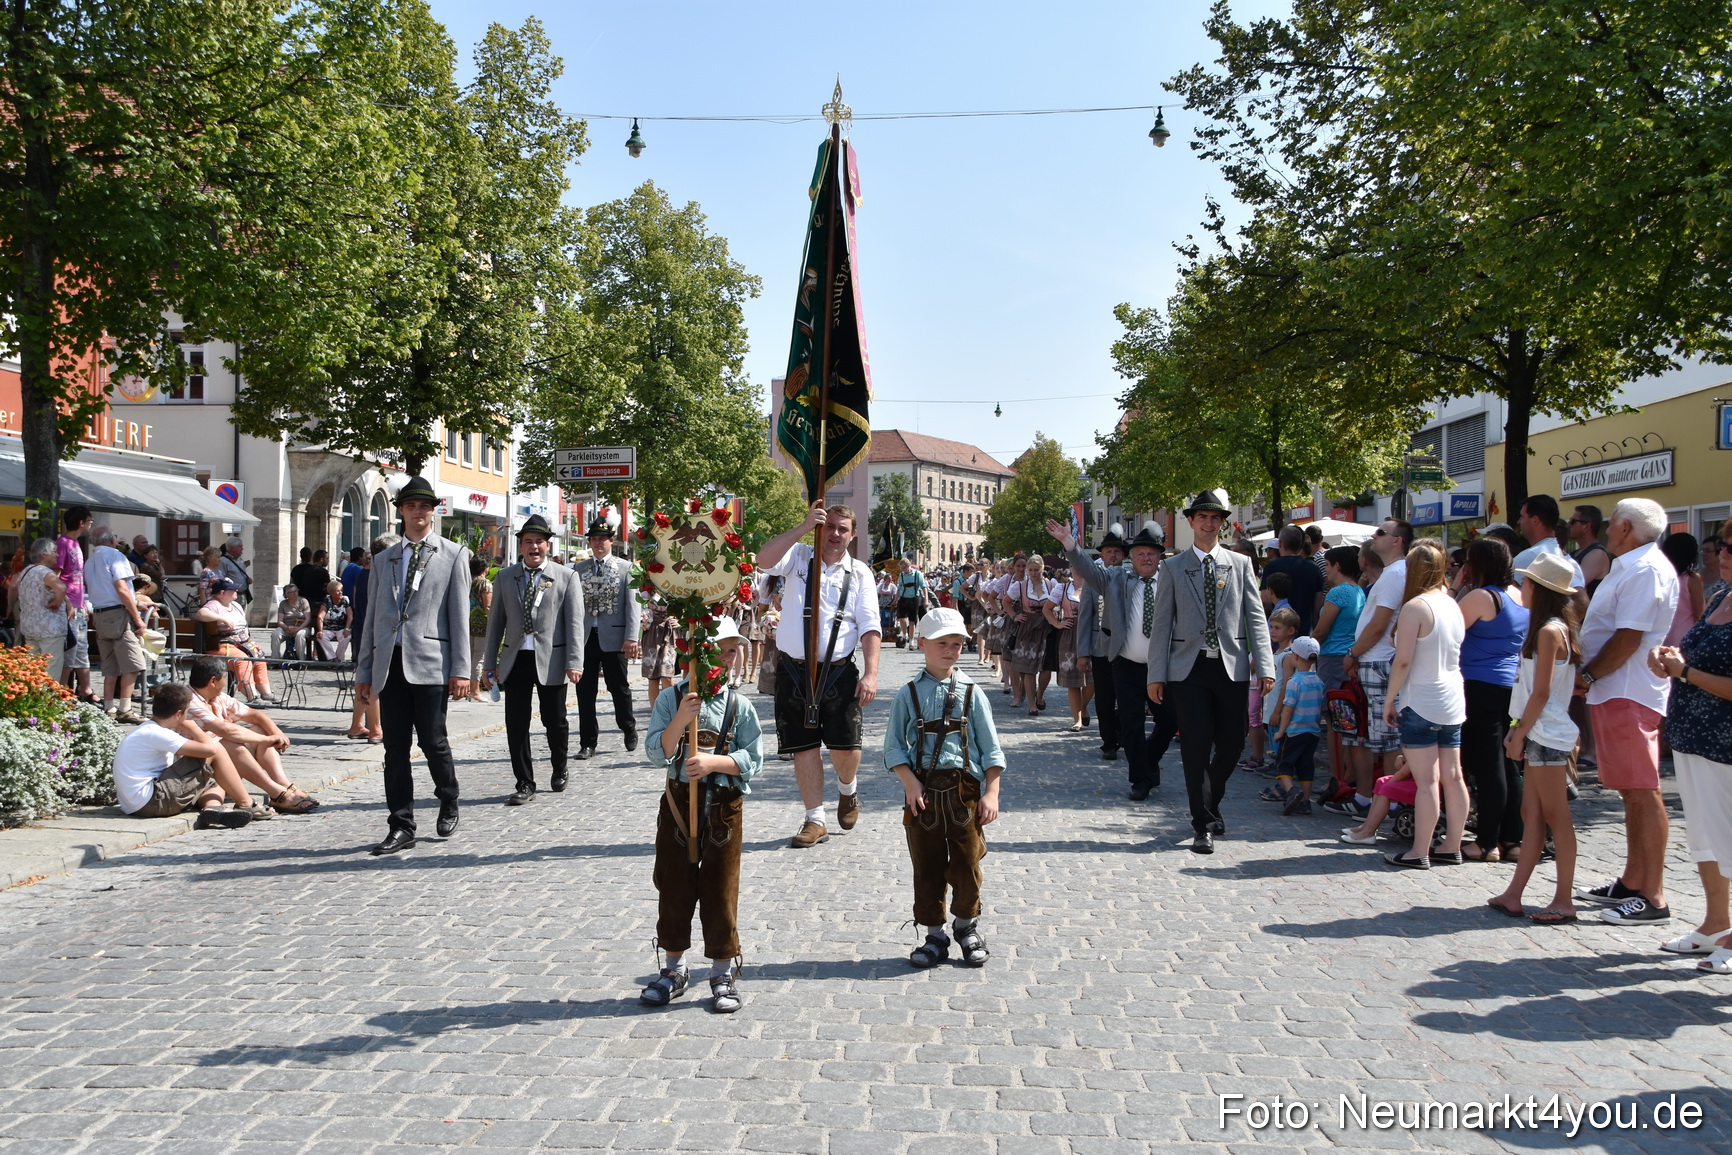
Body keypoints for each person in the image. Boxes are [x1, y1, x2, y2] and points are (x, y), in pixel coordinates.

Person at [639, 617, 764, 1013]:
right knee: (673, 885)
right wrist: (680, 719)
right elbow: (655, 752)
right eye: (718, 650)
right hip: (679, 803)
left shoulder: (738, 705)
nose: (727, 658)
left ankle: (722, 970)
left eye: (732, 650)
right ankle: (674, 968)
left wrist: (715, 763)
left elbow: (754, 758)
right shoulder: (669, 699)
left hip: (724, 807)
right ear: (694, 654)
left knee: (720, 887)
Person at [1145, 491, 1276, 854]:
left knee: (1233, 743)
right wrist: (1155, 674)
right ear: (1191, 522)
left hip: (1231, 666)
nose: (1208, 523)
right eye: (1202, 517)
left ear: (1223, 523)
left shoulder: (1241, 564)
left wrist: (1265, 665)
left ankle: (1211, 799)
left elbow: (1256, 618)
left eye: (1215, 518)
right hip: (1188, 668)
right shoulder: (1172, 567)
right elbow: (1161, 626)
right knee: (1196, 746)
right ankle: (1201, 822)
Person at [1573, 497, 1680, 925]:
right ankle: (1633, 881)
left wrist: (1590, 676)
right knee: (1631, 791)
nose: (1607, 531)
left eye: (1613, 523)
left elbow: (1629, 637)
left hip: (1628, 688)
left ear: (1625, 528)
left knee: (1641, 790)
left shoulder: (1645, 568)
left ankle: (1652, 895)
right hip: (1620, 689)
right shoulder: (1634, 565)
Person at [353, 477, 473, 855]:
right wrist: (365, 672)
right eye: (410, 506)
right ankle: (401, 823)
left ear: (433, 511)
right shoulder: (385, 558)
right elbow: (371, 618)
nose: (418, 512)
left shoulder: (453, 555)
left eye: (425, 506)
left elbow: (459, 618)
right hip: (390, 666)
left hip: (432, 665)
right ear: (401, 510)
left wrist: (463, 669)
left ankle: (448, 798)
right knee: (395, 749)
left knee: (434, 741)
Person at [884, 607, 1005, 969]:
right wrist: (909, 782)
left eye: (957, 644)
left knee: (968, 864)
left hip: (964, 793)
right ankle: (934, 934)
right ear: (922, 644)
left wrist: (992, 792)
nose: (951, 650)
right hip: (923, 795)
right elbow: (893, 746)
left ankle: (967, 926)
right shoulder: (908, 694)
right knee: (927, 866)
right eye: (942, 643)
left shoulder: (972, 692)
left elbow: (991, 748)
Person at [757, 503, 882, 848]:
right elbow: (763, 560)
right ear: (819, 529)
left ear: (853, 535)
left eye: (843, 529)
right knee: (803, 747)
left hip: (838, 670)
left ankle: (848, 788)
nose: (835, 534)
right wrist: (802, 527)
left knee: (845, 747)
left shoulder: (860, 573)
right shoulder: (798, 556)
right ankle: (815, 819)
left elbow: (871, 627)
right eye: (830, 527)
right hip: (793, 669)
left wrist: (871, 674)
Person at [1647, 519, 1732, 971]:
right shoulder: (1720, 594)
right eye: (1722, 545)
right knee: (1704, 836)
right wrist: (1670, 663)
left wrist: (1686, 673)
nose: (1722, 553)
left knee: (1729, 836)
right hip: (1694, 733)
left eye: (1731, 547)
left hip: (1726, 741)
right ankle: (1715, 923)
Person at [1051, 520, 1178, 802]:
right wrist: (1069, 544)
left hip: (1162, 667)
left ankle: (1148, 760)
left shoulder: (1171, 580)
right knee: (1132, 725)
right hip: (1126, 664)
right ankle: (1140, 779)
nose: (1146, 558)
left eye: (1152, 553)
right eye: (1141, 553)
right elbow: (1086, 571)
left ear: (1160, 557)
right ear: (1131, 557)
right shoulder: (1116, 578)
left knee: (1170, 721)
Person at [1487, 554, 1583, 923]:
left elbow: (1540, 692)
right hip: (1541, 730)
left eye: (1526, 582)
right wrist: (1518, 728)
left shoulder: (1547, 631)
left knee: (1555, 817)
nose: (1520, 587)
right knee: (1534, 814)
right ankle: (1515, 892)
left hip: (1546, 733)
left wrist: (1518, 732)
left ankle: (1563, 900)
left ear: (1539, 590)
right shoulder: (1551, 628)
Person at [481, 514, 585, 804]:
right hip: (516, 659)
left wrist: (575, 661)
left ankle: (559, 766)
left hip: (552, 658)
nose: (534, 547)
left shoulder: (566, 577)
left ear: (548, 545)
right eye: (528, 542)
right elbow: (495, 625)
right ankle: (524, 782)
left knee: (555, 720)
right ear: (521, 546)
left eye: (539, 541)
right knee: (516, 722)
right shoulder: (504, 577)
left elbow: (575, 622)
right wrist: (490, 663)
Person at [1335, 518, 1414, 820]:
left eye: (1381, 532)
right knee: (1375, 736)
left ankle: (1391, 802)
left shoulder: (1396, 574)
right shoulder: (1392, 573)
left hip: (1378, 659)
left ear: (1397, 541)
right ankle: (1376, 799)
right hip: (1375, 659)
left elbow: (1380, 624)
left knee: (1387, 738)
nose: (1374, 535)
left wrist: (1354, 653)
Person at [1456, 537, 1528, 862]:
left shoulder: (1481, 597)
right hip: (1512, 686)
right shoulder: (1519, 594)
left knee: (1488, 767)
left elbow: (1443, 627)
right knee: (1510, 762)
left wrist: (1454, 585)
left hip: (1480, 685)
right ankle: (1513, 840)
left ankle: (1486, 843)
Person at [184, 657, 319, 814]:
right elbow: (225, 731)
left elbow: (254, 714)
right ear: (213, 681)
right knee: (229, 744)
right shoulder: (189, 701)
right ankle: (276, 792)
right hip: (197, 765)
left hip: (221, 761)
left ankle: (283, 783)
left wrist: (276, 733)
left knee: (261, 729)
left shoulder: (216, 696)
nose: (226, 682)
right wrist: (268, 739)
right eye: (226, 677)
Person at [112, 683, 257, 828]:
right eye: (187, 712)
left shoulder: (146, 729)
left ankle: (212, 808)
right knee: (217, 749)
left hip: (135, 804)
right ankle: (247, 803)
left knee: (215, 781)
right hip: (152, 801)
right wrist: (194, 728)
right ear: (178, 714)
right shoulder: (158, 733)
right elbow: (210, 749)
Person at [573, 522, 641, 759]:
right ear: (589, 542)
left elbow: (633, 605)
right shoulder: (578, 569)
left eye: (603, 538)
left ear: (611, 541)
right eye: (594, 539)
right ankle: (588, 742)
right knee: (585, 691)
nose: (598, 543)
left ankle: (628, 727)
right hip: (585, 638)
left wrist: (631, 636)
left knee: (618, 688)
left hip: (614, 638)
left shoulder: (626, 568)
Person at [84, 526, 151, 723]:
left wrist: (136, 602)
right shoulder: (115, 556)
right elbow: (121, 589)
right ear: (112, 540)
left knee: (110, 664)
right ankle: (125, 708)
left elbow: (104, 590)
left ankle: (109, 707)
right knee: (133, 664)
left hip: (99, 614)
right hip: (118, 614)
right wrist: (137, 618)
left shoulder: (90, 561)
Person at [1074, 529, 1127, 762]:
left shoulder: (1130, 577)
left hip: (1127, 648)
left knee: (1126, 695)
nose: (1113, 555)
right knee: (1105, 696)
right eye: (1109, 552)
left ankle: (1122, 731)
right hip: (1100, 647)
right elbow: (1085, 617)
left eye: (1117, 552)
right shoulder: (1092, 581)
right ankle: (1109, 741)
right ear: (1102, 556)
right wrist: (1082, 652)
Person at [195, 578, 275, 705]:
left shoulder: (236, 606)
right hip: (222, 644)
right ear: (222, 593)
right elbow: (201, 614)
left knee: (259, 657)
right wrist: (222, 618)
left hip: (243, 643)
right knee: (243, 660)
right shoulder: (214, 604)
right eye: (232, 589)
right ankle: (252, 696)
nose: (236, 591)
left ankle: (266, 694)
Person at [1270, 635, 1326, 814]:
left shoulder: (1294, 682)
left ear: (1294, 657)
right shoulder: (1319, 682)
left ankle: (1291, 791)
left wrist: (1281, 731)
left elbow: (1288, 710)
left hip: (1294, 732)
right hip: (1313, 732)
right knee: (1306, 766)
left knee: (1283, 764)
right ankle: (1306, 802)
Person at [345, 535, 393, 742]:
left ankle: (357, 725)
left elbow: (356, 601)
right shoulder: (380, 574)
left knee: (363, 679)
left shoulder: (363, 574)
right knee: (375, 682)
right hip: (374, 631)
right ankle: (375, 729)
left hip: (362, 628)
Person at [1006, 556, 1056, 718]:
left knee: (1047, 667)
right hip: (1028, 627)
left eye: (1037, 570)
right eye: (1031, 570)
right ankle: (1032, 705)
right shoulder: (1020, 586)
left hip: (1047, 627)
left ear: (1042, 569)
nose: (1033, 573)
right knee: (1028, 669)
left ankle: (1039, 694)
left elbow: (1060, 602)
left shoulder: (1051, 585)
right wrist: (1015, 616)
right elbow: (1006, 601)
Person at [1047, 567, 1094, 732]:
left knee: (1092, 680)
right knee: (1073, 681)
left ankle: (1083, 707)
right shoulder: (1063, 588)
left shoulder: (1094, 585)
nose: (1078, 570)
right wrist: (1058, 624)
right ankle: (1077, 719)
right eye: (1074, 567)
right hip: (1069, 635)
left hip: (1090, 634)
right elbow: (1047, 609)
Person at [17, 538, 70, 680]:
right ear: (43, 555)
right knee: (51, 671)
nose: (57, 555)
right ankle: (48, 700)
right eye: (54, 552)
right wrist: (57, 602)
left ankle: (35, 700)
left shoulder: (25, 571)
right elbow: (61, 587)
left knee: (33, 671)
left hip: (30, 627)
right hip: (50, 629)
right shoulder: (45, 572)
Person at [1512, 494, 1585, 594]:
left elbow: (1502, 596)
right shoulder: (1568, 561)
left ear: (1535, 520)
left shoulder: (1533, 555)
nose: (1519, 521)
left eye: (1522, 516)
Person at [55, 506, 93, 702]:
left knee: (81, 647)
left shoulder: (76, 543)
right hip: (68, 606)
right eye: (89, 520)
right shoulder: (62, 543)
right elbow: (57, 577)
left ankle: (85, 689)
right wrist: (68, 601)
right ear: (81, 522)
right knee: (70, 649)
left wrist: (83, 601)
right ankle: (63, 690)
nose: (90, 523)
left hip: (78, 605)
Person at [1261, 524, 1325, 633]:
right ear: (1301, 545)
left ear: (1280, 543)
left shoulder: (1271, 567)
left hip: (1277, 633)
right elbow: (1318, 606)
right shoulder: (1314, 568)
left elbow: (1265, 600)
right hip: (1304, 631)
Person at [1662, 532, 1705, 648]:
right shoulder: (1692, 578)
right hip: (1685, 638)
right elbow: (1699, 614)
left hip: (1662, 637)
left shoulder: (1661, 577)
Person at [641, 591, 682, 706]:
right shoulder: (648, 585)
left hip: (669, 633)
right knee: (652, 677)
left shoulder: (674, 587)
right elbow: (640, 604)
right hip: (652, 633)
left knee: (667, 676)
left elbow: (684, 608)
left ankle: (670, 713)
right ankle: (656, 716)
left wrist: (679, 620)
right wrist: (644, 617)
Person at [1569, 505, 1611, 597]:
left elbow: (1572, 585)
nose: (1569, 525)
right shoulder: (1574, 554)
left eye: (1572, 521)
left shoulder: (1597, 554)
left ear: (1586, 527)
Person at [467, 557, 492, 700]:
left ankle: (466, 689)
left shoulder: (466, 580)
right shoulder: (485, 584)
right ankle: (475, 690)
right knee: (479, 656)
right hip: (481, 624)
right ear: (485, 568)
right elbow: (488, 607)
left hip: (466, 623)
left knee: (468, 656)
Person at [895, 561, 929, 649]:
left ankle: (911, 642)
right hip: (903, 598)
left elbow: (924, 587)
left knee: (912, 621)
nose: (902, 570)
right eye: (901, 568)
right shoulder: (901, 575)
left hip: (914, 598)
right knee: (902, 619)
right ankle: (905, 634)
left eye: (903, 568)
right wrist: (895, 600)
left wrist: (926, 599)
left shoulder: (917, 574)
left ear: (908, 566)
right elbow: (899, 588)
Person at [317, 579, 352, 662]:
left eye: (341, 590)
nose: (340, 592)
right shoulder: (327, 600)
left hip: (341, 628)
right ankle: (333, 658)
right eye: (338, 591)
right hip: (328, 628)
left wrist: (347, 628)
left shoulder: (345, 600)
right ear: (331, 592)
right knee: (321, 637)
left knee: (346, 637)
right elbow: (320, 616)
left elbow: (350, 616)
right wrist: (320, 631)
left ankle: (338, 659)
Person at [276, 585, 310, 659]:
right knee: (275, 634)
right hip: (287, 627)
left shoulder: (303, 601)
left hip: (302, 627)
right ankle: (275, 660)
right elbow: (280, 621)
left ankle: (301, 661)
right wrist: (286, 627)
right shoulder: (283, 604)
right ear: (286, 595)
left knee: (300, 635)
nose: (295, 593)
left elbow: (308, 619)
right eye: (292, 592)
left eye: (296, 591)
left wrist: (298, 628)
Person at [218, 538, 252, 605]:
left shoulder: (240, 559)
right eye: (239, 546)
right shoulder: (223, 561)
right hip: (231, 597)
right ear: (232, 548)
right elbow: (221, 580)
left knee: (242, 615)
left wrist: (246, 580)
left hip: (243, 595)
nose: (242, 548)